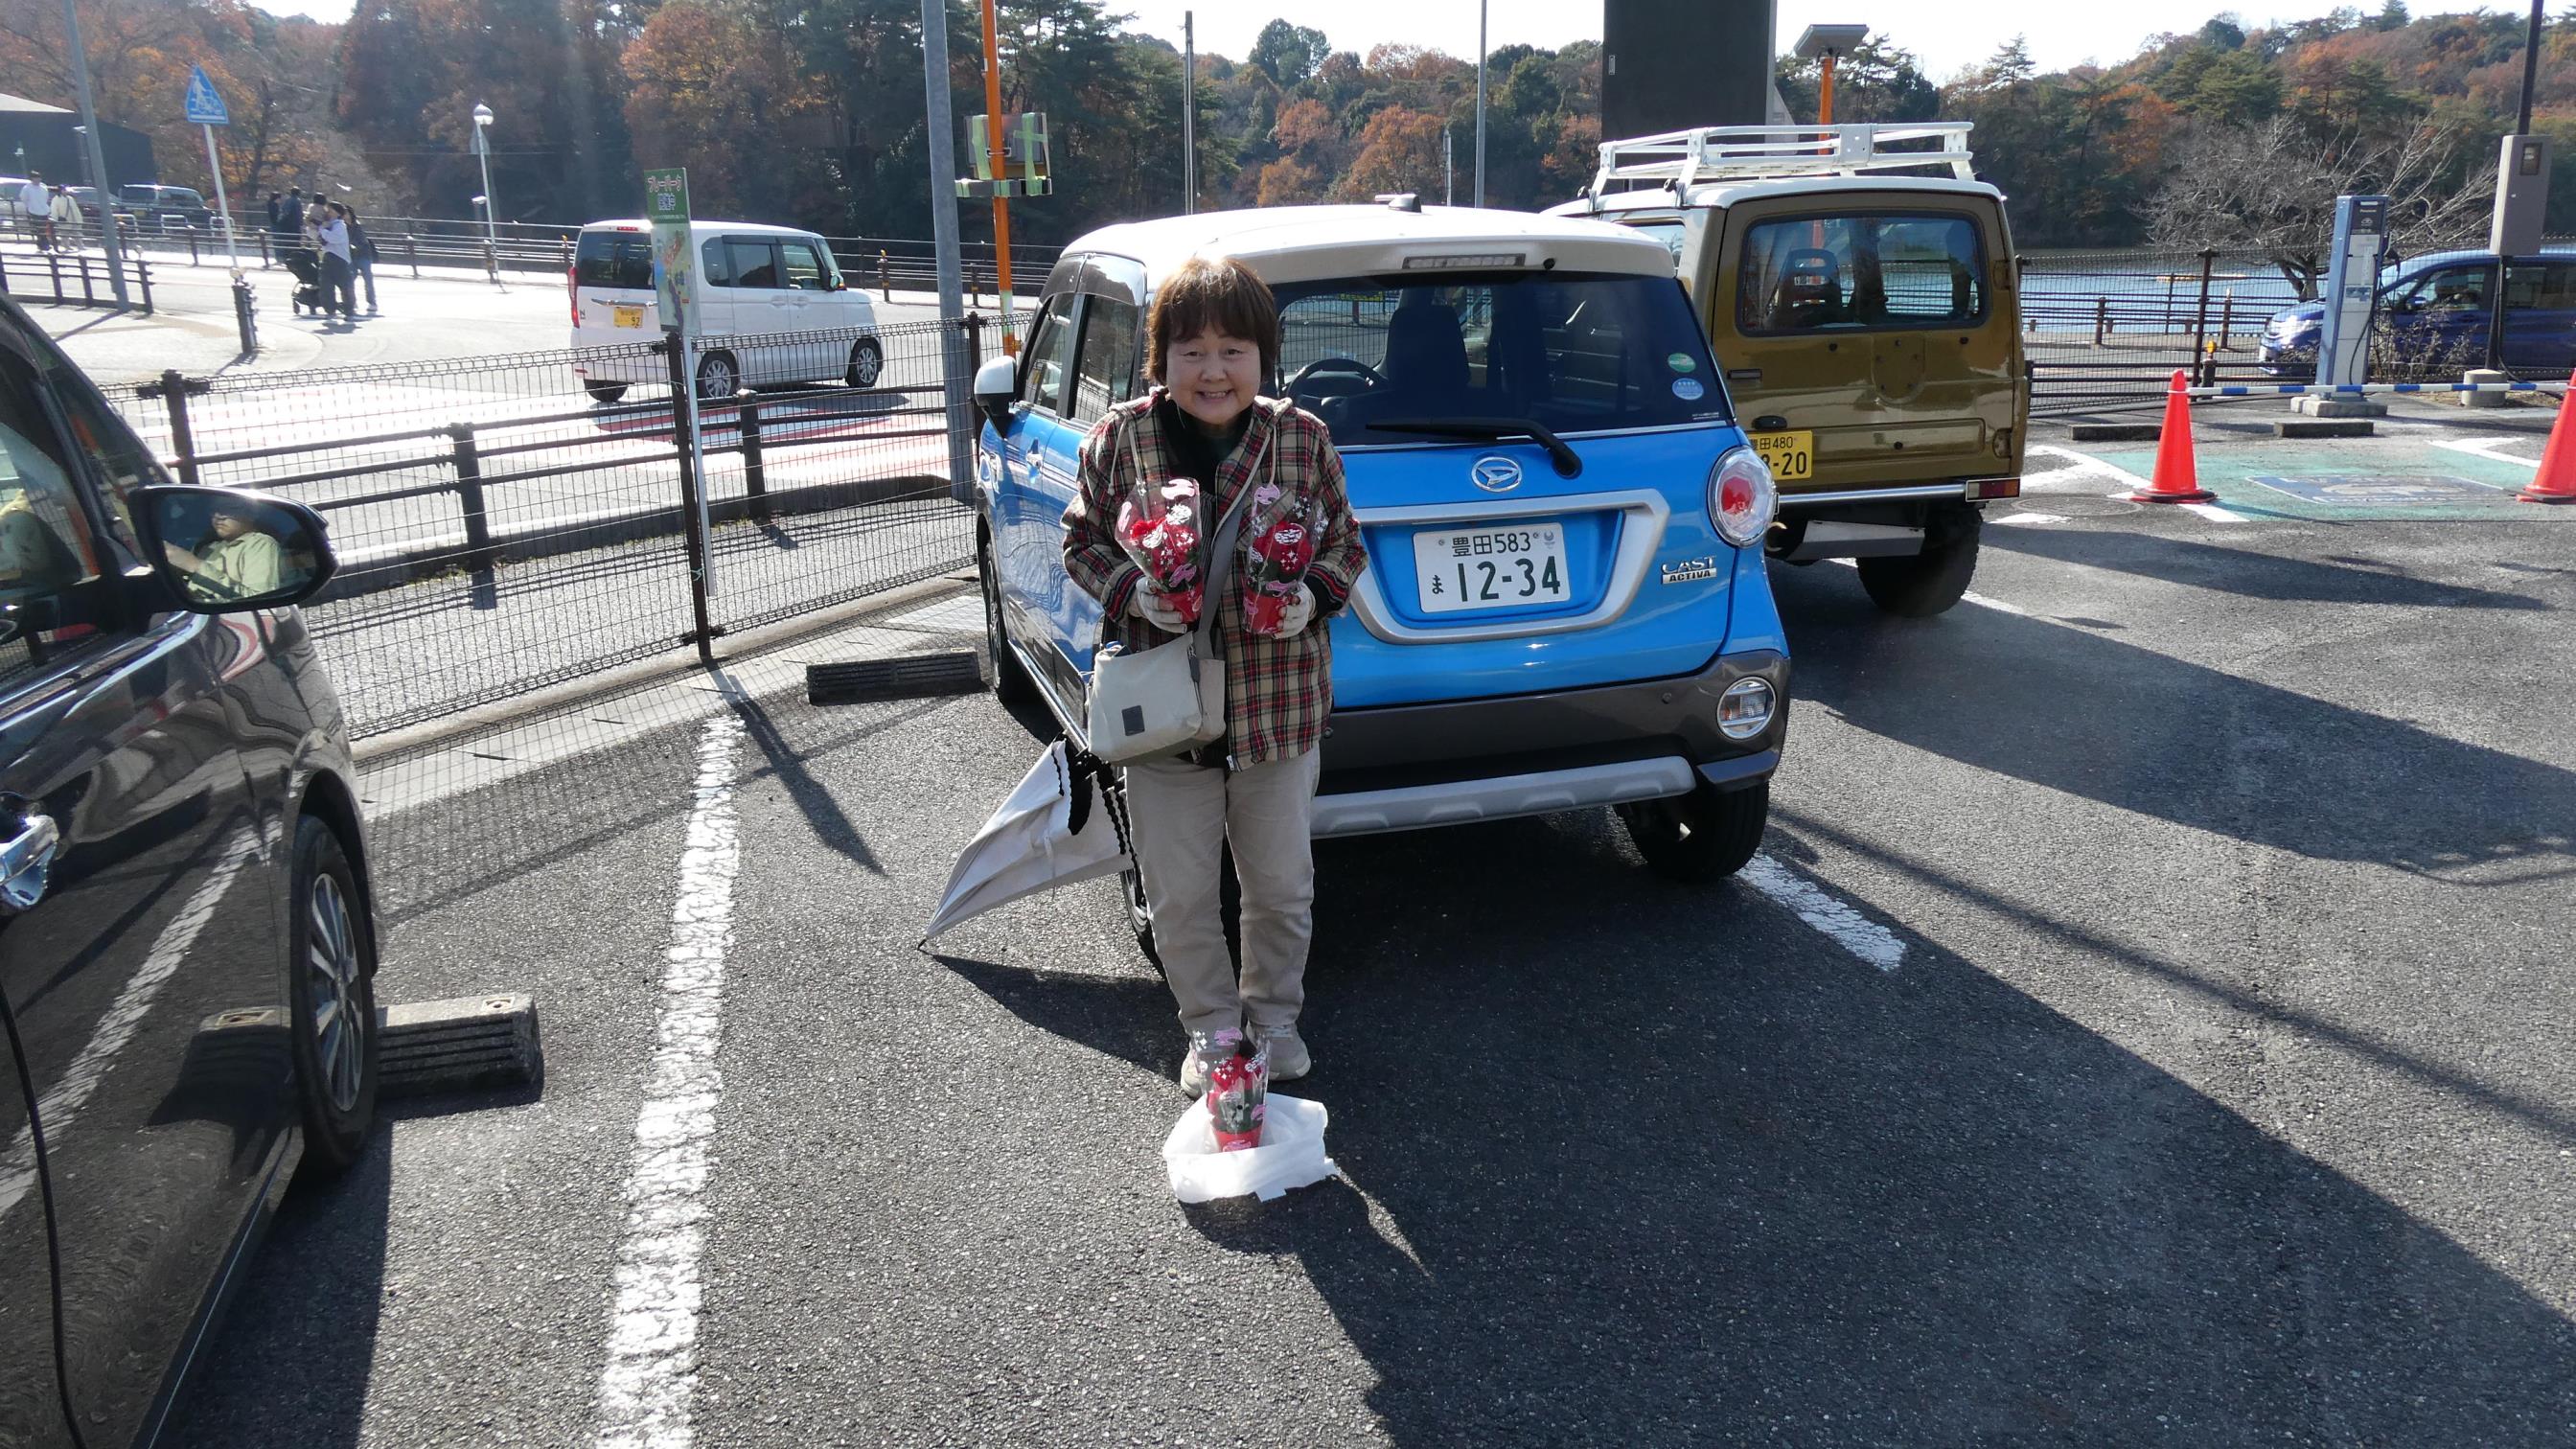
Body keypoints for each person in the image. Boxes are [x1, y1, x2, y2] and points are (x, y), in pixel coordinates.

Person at [1060, 256, 1367, 1094]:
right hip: (1163, 709)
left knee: (1281, 888)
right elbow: (1081, 540)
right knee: (1180, 893)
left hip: (1277, 703)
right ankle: (1211, 1031)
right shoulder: (1122, 438)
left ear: (1264, 356)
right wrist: (1132, 593)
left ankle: (1274, 1023)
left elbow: (1347, 544)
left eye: (1234, 349)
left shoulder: (1301, 440)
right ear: (1160, 358)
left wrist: (1312, 596)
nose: (1213, 370)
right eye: (1191, 350)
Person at [161, 502, 284, 604]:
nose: (218, 516)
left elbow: (259, 599)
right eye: (214, 510)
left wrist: (196, 566)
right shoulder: (205, 547)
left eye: (229, 509)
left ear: (251, 514)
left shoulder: (260, 543)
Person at [316, 202, 356, 320]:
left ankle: (349, 311)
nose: (327, 212)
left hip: (340, 260)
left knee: (345, 287)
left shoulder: (340, 226)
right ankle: (330, 310)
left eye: (330, 210)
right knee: (326, 287)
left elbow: (334, 238)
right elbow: (317, 236)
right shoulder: (328, 225)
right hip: (327, 257)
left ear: (338, 213)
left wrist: (322, 229)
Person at [346, 205, 380, 313]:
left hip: (363, 255)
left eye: (346, 213)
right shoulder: (342, 226)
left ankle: (372, 302)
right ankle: (352, 301)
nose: (344, 216)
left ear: (351, 214)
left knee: (368, 279)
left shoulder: (357, 226)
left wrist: (352, 245)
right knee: (350, 279)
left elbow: (362, 241)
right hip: (351, 256)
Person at [18, 174, 51, 251]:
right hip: (33, 211)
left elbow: (46, 197)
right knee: (39, 229)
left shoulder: (43, 187)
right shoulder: (27, 188)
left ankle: (41, 244)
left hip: (44, 211)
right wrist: (29, 205)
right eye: (36, 178)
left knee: (43, 228)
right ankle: (44, 245)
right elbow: (23, 198)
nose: (38, 180)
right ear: (32, 179)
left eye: (39, 178)